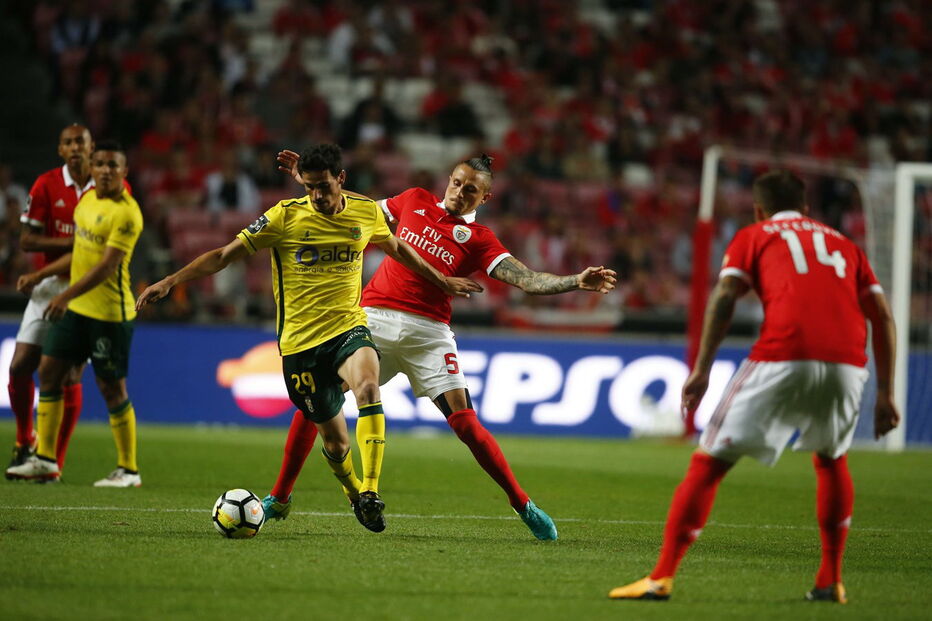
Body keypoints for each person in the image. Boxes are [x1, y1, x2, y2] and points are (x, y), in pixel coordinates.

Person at [265, 150, 617, 540]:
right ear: (447, 180)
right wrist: (310, 181)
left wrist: (573, 280)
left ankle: (523, 504)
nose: (459, 192)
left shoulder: (481, 240)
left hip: (429, 333)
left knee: (465, 422)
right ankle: (280, 497)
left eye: (471, 190)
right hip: (374, 318)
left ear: (485, 198)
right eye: (456, 183)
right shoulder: (412, 200)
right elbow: (350, 210)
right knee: (318, 399)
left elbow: (528, 280)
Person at [135, 144, 480, 532]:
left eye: (323, 186)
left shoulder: (365, 212)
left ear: (341, 180)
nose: (316, 195)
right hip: (301, 344)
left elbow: (398, 249)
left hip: (349, 327)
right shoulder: (284, 217)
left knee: (368, 387)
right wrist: (170, 281)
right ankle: (353, 492)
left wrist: (442, 280)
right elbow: (224, 255)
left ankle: (370, 490)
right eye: (310, 186)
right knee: (336, 446)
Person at [609, 170, 900, 603]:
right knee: (832, 459)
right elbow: (882, 315)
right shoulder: (844, 244)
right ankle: (830, 580)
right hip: (848, 363)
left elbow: (726, 294)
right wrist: (887, 393)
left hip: (782, 354)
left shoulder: (756, 234)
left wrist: (702, 368)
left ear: (758, 209)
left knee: (709, 463)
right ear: (805, 208)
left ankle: (661, 577)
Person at [6, 141, 145, 487]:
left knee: (111, 388)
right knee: (49, 372)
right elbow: (81, 253)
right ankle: (46, 460)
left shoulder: (127, 213)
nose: (106, 170)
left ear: (124, 172)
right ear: (92, 168)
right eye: (100, 164)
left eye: (113, 165)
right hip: (76, 310)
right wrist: (41, 275)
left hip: (108, 313)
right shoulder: (86, 203)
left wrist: (64, 295)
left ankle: (128, 469)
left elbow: (105, 266)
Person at [6, 124, 97, 479]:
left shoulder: (108, 186)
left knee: (70, 374)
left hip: (89, 288)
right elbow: (28, 241)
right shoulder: (46, 184)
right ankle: (23, 439)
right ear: (61, 149)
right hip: (48, 287)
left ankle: (53, 462)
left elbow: (107, 253)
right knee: (19, 366)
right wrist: (81, 245)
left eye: (81, 142)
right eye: (69, 142)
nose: (76, 148)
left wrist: (81, 248)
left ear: (91, 148)